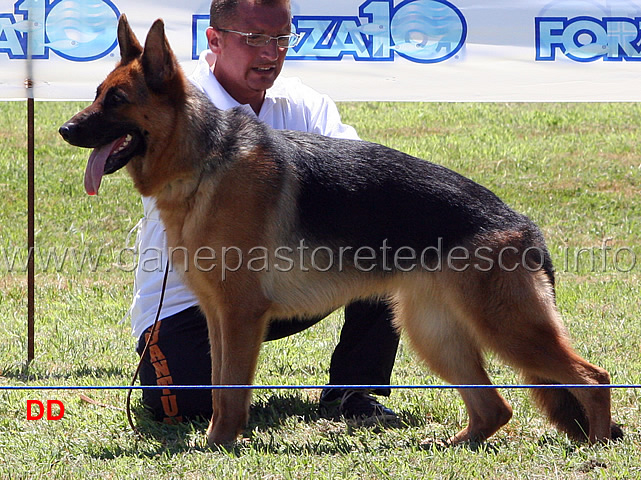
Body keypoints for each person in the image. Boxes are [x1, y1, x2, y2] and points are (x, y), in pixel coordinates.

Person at [131, 0, 400, 425]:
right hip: (189, 304)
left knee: (390, 242)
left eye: (281, 39)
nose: (270, 54)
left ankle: (355, 389)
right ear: (214, 39)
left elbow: (363, 185)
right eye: (254, 39)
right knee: (182, 410)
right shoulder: (171, 104)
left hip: (280, 287)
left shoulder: (304, 105)